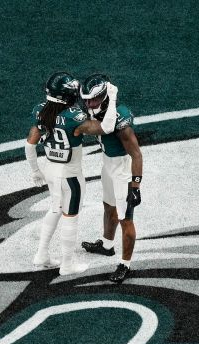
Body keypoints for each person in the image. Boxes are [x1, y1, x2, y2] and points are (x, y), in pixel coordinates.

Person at [25, 71, 118, 275]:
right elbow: (107, 127)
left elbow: (30, 144)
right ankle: (67, 264)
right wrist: (113, 98)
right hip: (71, 176)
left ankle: (42, 255)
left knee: (55, 209)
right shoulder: (73, 118)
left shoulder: (40, 111)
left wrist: (35, 172)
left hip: (50, 170)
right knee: (70, 216)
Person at [73, 73, 143, 284]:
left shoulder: (119, 118)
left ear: (104, 97)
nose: (88, 103)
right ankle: (106, 244)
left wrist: (135, 185)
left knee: (125, 218)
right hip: (107, 166)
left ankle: (125, 264)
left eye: (93, 99)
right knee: (108, 207)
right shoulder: (98, 113)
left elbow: (136, 154)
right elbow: (102, 125)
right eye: (85, 99)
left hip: (122, 170)